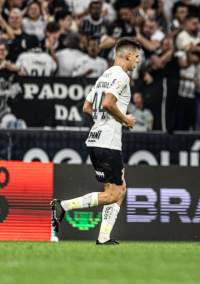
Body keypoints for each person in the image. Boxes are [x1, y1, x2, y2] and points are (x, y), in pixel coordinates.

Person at [51, 38, 140, 245]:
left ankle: (103, 237)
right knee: (113, 194)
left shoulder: (104, 76)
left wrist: (108, 119)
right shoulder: (121, 76)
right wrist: (125, 118)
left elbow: (87, 107)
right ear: (127, 55)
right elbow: (108, 103)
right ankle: (63, 206)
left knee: (120, 189)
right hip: (108, 142)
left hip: (95, 138)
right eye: (136, 57)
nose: (137, 61)